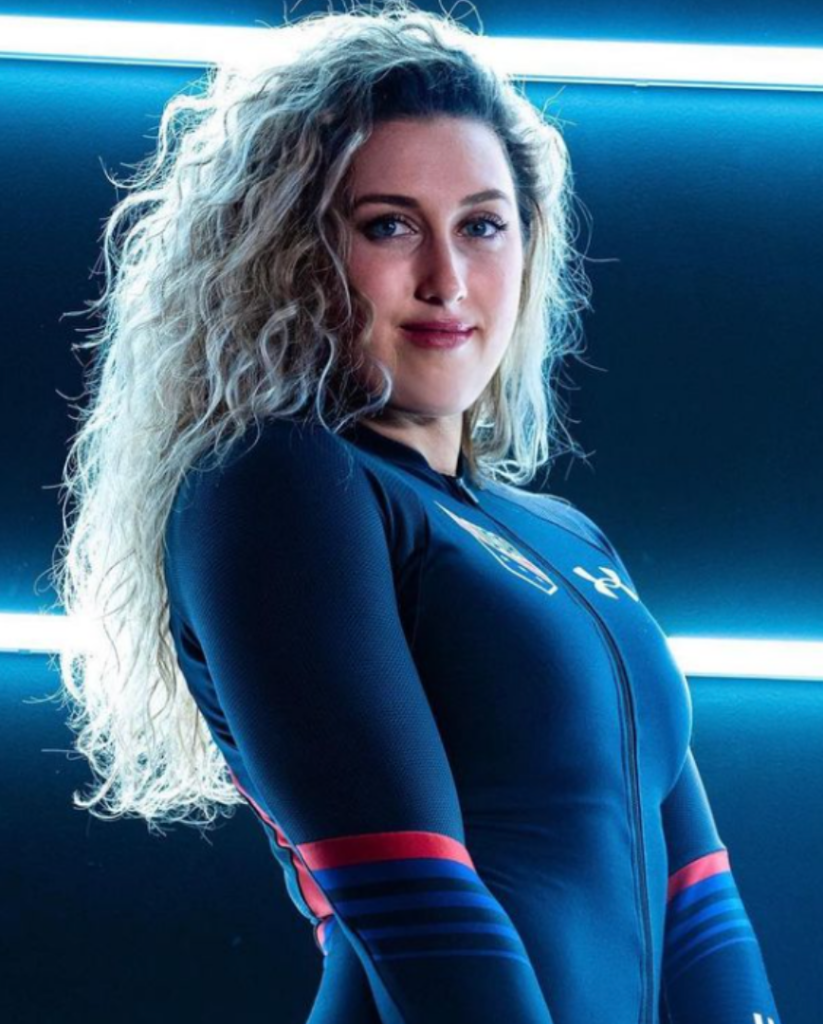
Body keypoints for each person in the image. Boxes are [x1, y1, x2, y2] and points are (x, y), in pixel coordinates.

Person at [50, 3, 783, 1022]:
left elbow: (699, 905)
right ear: (293, 255)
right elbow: (413, 896)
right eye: (388, 225)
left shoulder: (565, 538)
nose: (447, 280)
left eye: (482, 225)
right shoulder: (280, 484)